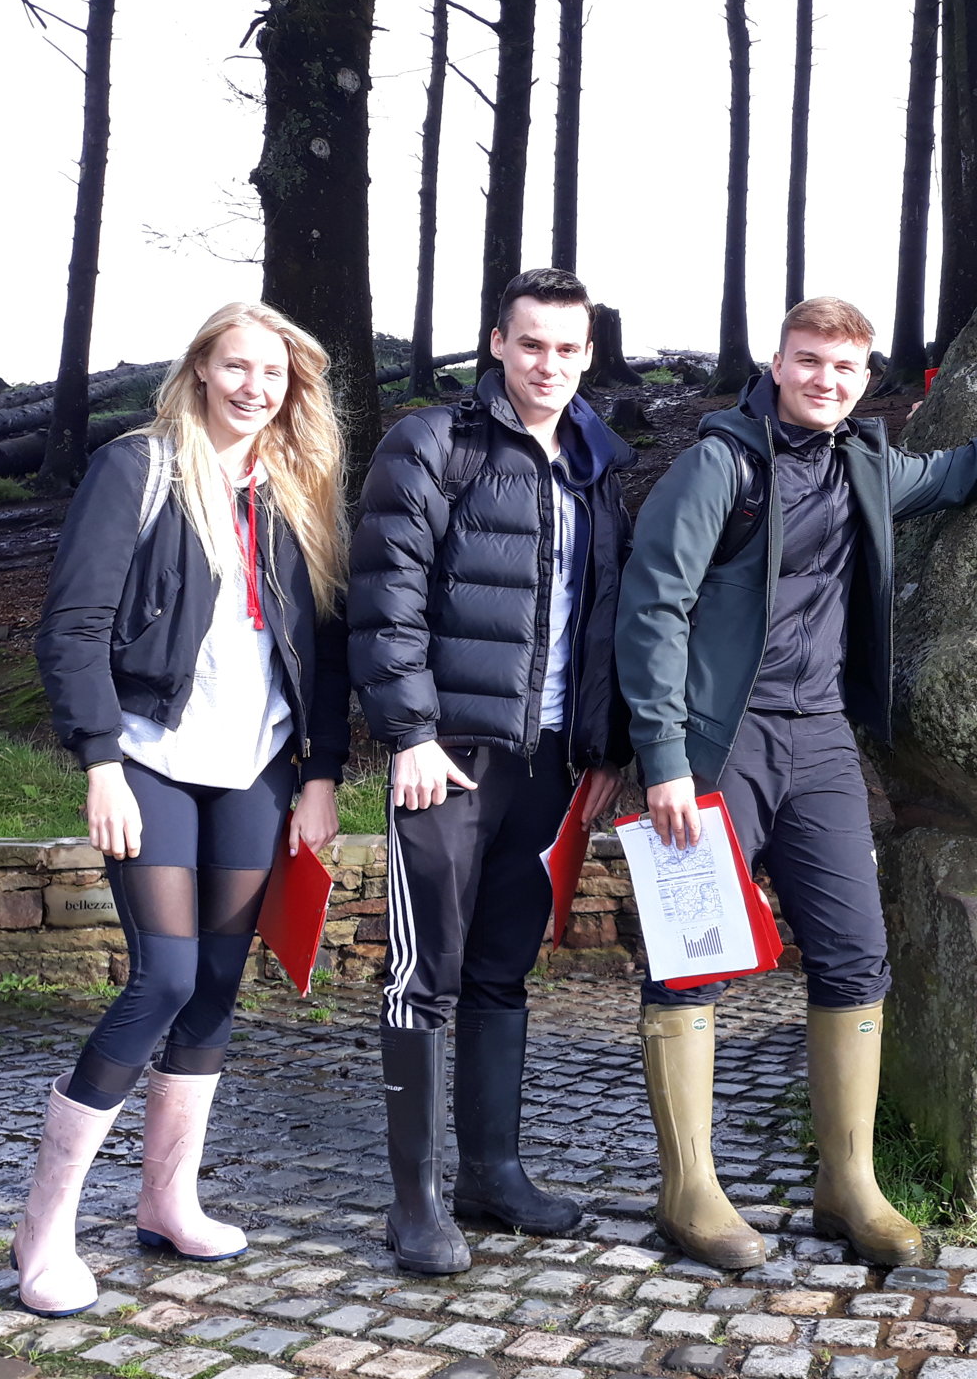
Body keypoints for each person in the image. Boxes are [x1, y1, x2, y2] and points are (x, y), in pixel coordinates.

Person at [617, 295, 977, 1270]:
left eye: (844, 368)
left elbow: (955, 474)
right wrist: (664, 761)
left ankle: (846, 1183)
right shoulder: (716, 465)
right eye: (808, 361)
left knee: (855, 956)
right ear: (776, 364)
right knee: (690, 958)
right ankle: (687, 1190)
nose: (824, 379)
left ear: (866, 379)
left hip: (818, 742)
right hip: (716, 744)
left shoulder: (860, 462)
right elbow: (653, 611)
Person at [25, 301, 350, 1318]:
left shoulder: (298, 490)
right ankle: (43, 1231)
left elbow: (326, 648)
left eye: (275, 373)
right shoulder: (141, 467)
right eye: (237, 366)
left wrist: (321, 773)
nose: (255, 387)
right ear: (202, 368)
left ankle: (167, 1201)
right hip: (151, 757)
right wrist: (99, 762)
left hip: (255, 768)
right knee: (161, 976)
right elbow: (73, 623)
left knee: (215, 985)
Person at [347, 267, 632, 1275]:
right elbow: (385, 597)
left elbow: (604, 619)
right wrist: (409, 734)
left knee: (503, 973)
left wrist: (601, 750)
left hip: (549, 761)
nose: (547, 364)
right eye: (530, 345)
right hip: (449, 759)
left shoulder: (597, 465)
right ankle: (415, 1202)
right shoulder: (434, 445)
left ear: (588, 353)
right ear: (497, 346)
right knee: (423, 974)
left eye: (567, 347)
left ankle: (493, 1175)